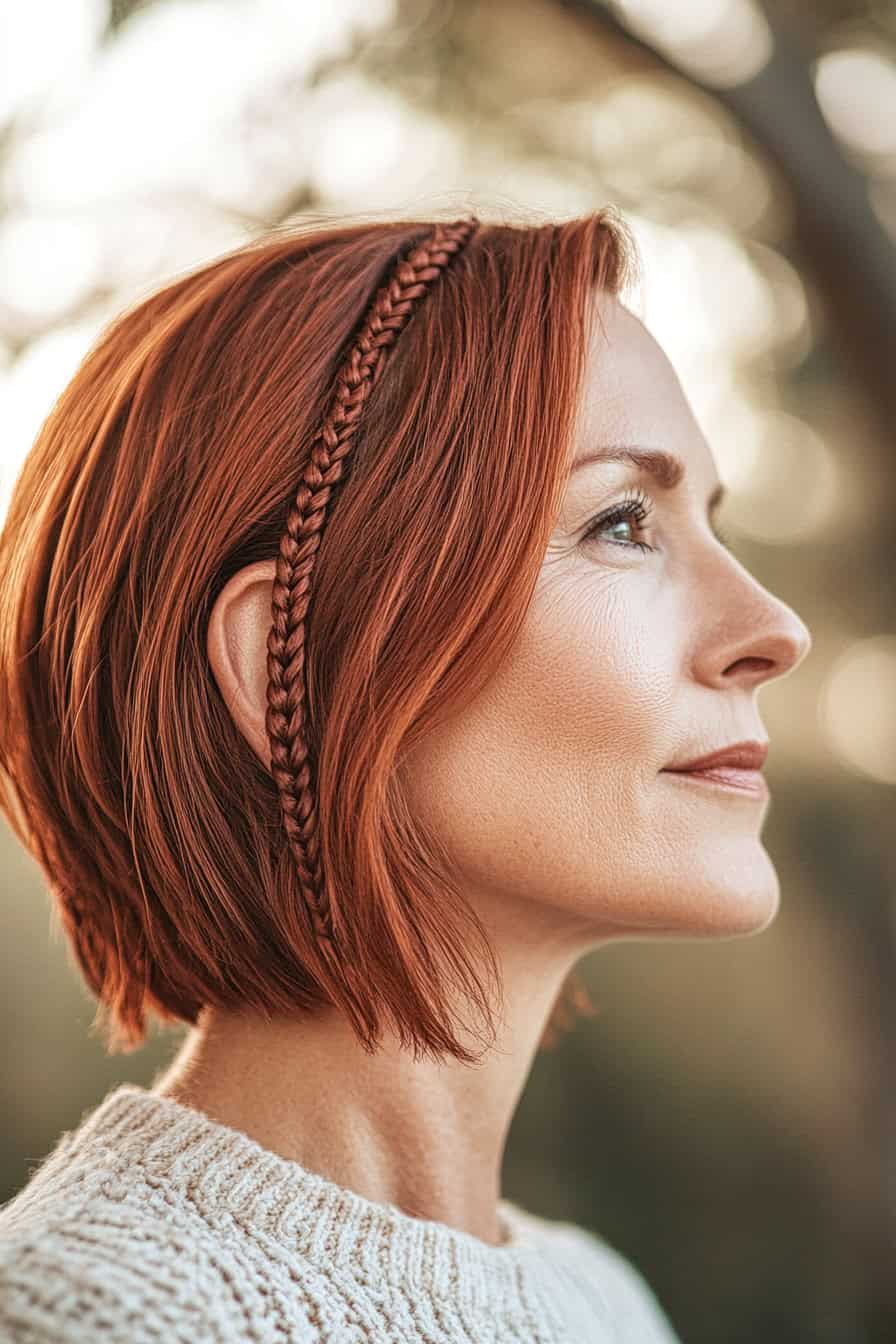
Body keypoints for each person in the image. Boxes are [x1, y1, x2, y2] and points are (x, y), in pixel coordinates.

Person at [0, 210, 811, 1342]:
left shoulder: (600, 1301)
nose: (773, 629)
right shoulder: (85, 1318)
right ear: (292, 656)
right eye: (622, 521)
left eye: (706, 525)